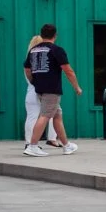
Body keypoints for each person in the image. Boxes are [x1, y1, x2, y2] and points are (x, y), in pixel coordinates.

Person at [23, 24, 81, 156]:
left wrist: (33, 81)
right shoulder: (56, 50)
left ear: (41, 34)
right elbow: (68, 70)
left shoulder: (33, 50)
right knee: (45, 116)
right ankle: (32, 146)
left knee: (57, 115)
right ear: (55, 35)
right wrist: (76, 87)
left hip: (40, 89)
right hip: (52, 89)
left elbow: (27, 69)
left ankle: (66, 145)